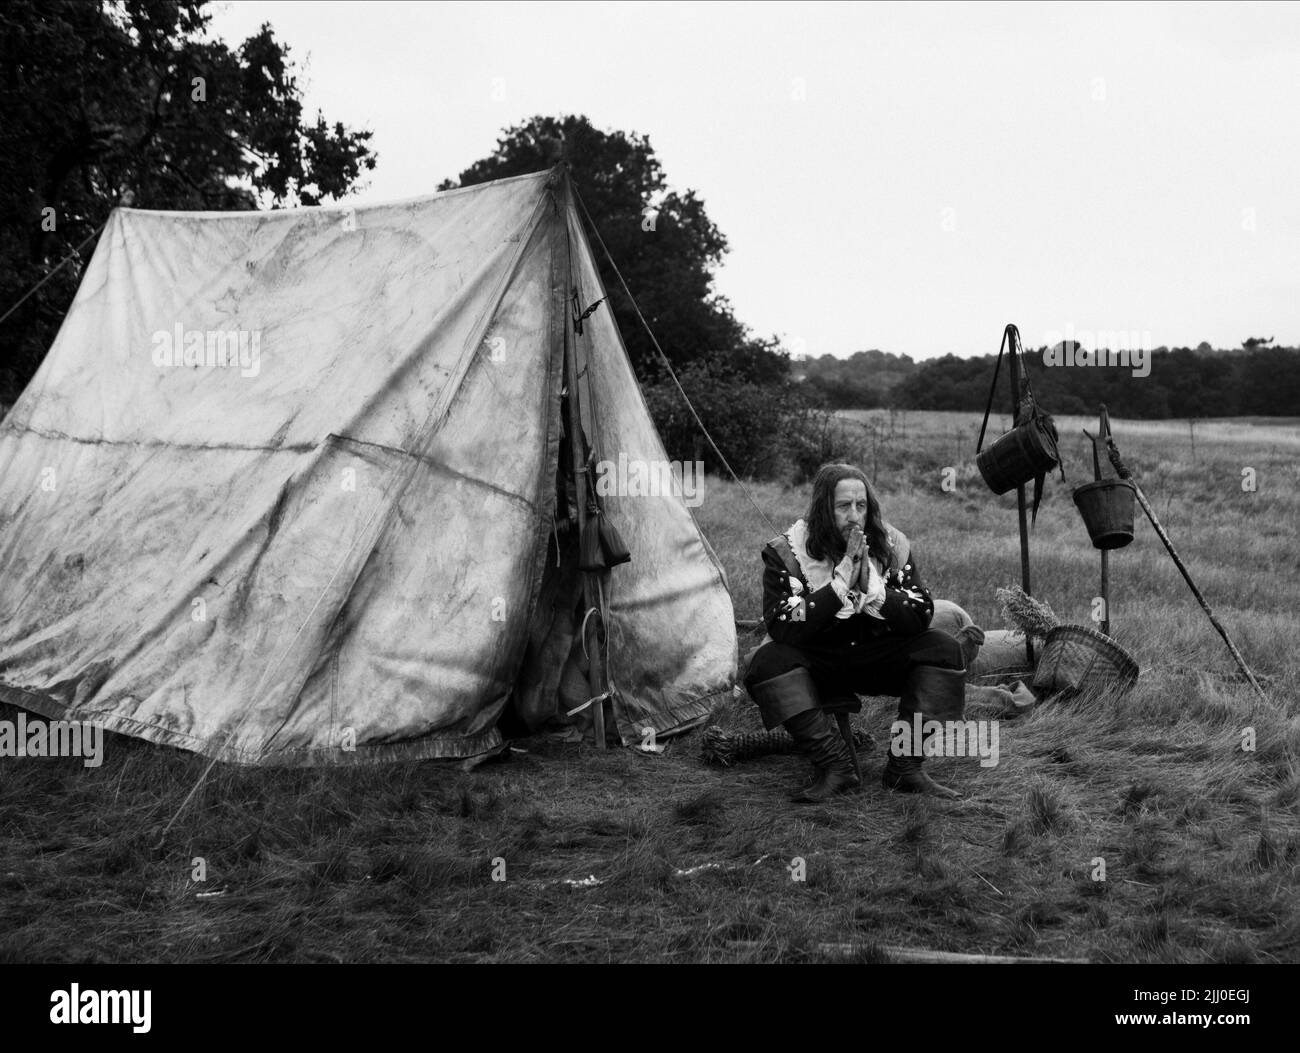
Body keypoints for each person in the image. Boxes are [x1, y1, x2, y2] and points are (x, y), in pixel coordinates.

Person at [743, 462, 968, 802]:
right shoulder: (787, 553)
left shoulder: (891, 545)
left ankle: (905, 768)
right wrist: (836, 590)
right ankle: (835, 766)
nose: (854, 516)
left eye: (861, 506)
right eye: (843, 506)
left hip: (877, 655)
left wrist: (878, 592)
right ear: (823, 509)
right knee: (766, 663)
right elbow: (782, 623)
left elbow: (921, 613)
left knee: (943, 648)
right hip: (820, 660)